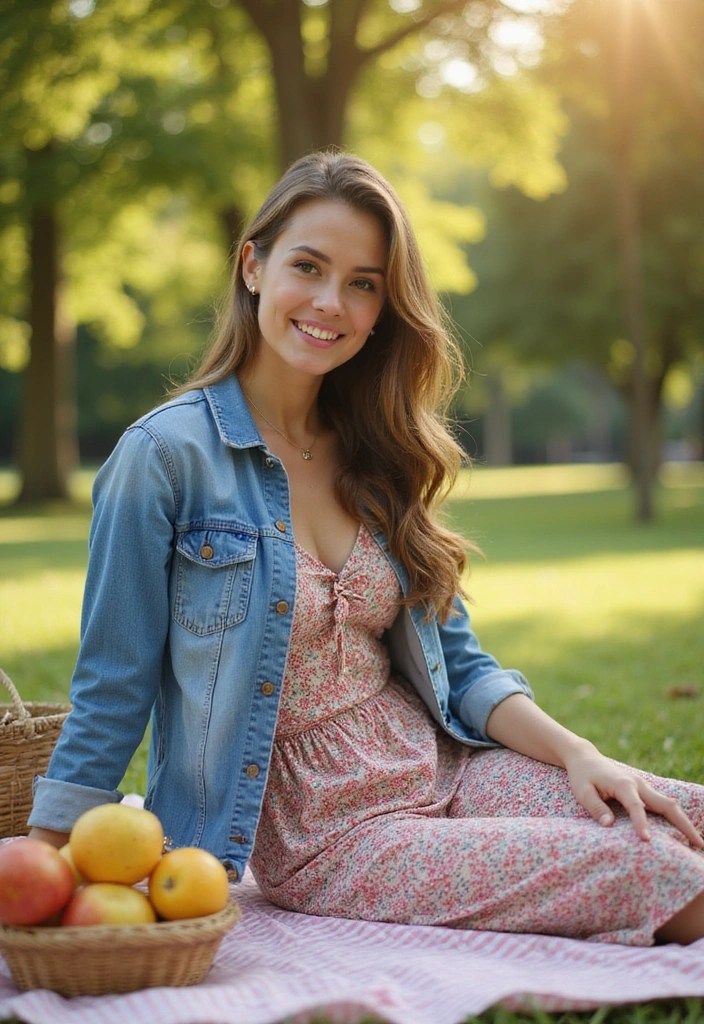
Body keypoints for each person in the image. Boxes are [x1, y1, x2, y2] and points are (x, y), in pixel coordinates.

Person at [28, 149, 704, 945]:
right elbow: (114, 684)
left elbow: (464, 667)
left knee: (688, 818)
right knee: (662, 872)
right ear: (253, 266)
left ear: (384, 306)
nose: (330, 302)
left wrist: (582, 755)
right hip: (326, 830)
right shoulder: (165, 459)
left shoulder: (375, 449)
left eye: (363, 283)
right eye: (308, 267)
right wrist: (41, 871)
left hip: (446, 765)